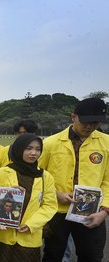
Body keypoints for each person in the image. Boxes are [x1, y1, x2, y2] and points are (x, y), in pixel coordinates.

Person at [39, 98, 109, 262]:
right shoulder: (50, 143)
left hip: (92, 212)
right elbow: (39, 174)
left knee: (91, 256)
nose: (90, 126)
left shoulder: (106, 143)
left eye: (95, 122)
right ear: (73, 117)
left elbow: (108, 180)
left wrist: (104, 211)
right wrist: (56, 193)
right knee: (53, 255)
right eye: (85, 122)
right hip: (57, 211)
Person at [0, 133, 57, 262]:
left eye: (38, 149)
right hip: (1, 236)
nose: (33, 153)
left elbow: (50, 205)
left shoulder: (45, 177)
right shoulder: (2, 173)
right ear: (18, 149)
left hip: (28, 238)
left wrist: (31, 225)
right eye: (28, 148)